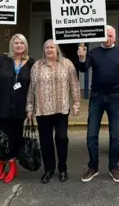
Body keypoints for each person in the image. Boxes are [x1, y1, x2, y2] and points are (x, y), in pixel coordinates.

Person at [76, 25, 119, 183]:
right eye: (105, 35)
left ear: (115, 37)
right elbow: (83, 69)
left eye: (111, 35)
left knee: (116, 136)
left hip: (115, 97)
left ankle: (114, 166)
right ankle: (93, 166)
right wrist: (81, 58)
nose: (108, 38)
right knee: (91, 134)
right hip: (97, 97)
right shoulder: (93, 52)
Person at [26, 39, 81, 184]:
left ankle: (62, 169)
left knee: (62, 139)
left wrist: (76, 103)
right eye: (47, 47)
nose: (49, 49)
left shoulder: (67, 64)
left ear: (57, 49)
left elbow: (74, 83)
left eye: (52, 47)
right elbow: (31, 88)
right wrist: (30, 107)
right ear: (43, 50)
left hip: (61, 108)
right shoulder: (36, 66)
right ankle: (49, 170)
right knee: (45, 141)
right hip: (43, 110)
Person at [0, 33, 35, 183]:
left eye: (22, 43)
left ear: (25, 46)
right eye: (16, 43)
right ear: (11, 45)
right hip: (2, 105)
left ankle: (12, 164)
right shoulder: (2, 60)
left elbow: (34, 86)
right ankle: (2, 161)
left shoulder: (31, 62)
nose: (19, 45)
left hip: (20, 107)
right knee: (2, 136)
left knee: (15, 136)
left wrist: (31, 107)